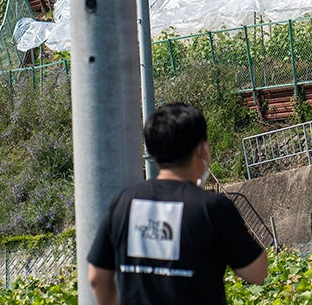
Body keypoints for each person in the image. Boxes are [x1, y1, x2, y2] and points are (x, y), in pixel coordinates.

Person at [88, 102, 267, 305]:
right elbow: (257, 273)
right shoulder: (213, 208)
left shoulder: (124, 202)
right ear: (202, 150)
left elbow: (96, 278)